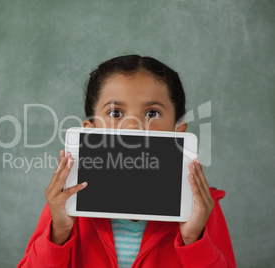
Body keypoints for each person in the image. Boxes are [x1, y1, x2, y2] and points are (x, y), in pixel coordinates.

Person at [18, 55, 236, 267]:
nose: (133, 125)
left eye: (152, 113)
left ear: (178, 131)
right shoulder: (66, 202)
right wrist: (58, 234)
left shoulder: (201, 206)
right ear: (89, 131)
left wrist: (194, 240)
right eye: (115, 112)